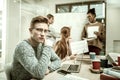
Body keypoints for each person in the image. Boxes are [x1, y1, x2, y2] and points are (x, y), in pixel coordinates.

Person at [11, 16, 61, 80]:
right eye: (39, 30)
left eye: (45, 31)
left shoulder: (42, 44)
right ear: (30, 31)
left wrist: (49, 68)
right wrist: (47, 47)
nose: (43, 34)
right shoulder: (23, 47)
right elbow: (39, 73)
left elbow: (58, 60)